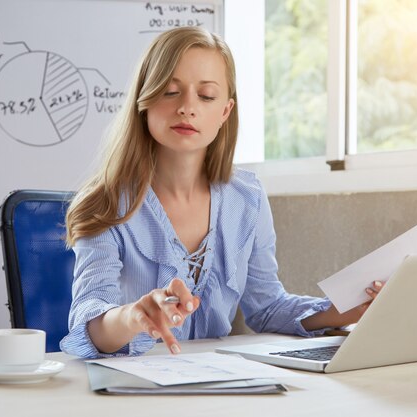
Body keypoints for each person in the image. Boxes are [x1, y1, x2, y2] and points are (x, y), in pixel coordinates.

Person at [60, 26, 382, 358]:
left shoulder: (248, 198)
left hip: (220, 385)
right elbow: (89, 319)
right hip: (133, 387)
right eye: (170, 91)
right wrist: (133, 317)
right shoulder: (106, 202)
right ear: (145, 100)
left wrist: (348, 310)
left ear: (224, 112)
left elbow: (267, 306)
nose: (187, 107)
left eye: (206, 96)